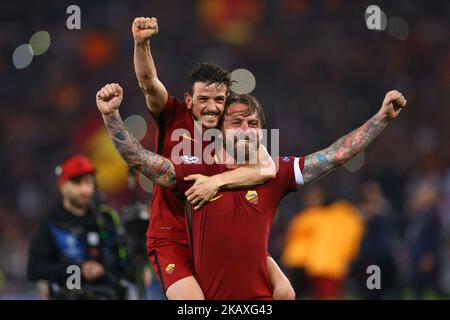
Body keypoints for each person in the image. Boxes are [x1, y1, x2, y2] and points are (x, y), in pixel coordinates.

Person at [96, 82, 406, 299]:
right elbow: (138, 158)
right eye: (237, 122)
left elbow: (336, 154)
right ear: (220, 130)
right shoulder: (194, 170)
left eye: (254, 124)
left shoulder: (276, 173)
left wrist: (381, 118)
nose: (246, 130)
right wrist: (111, 115)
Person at [132, 16, 293, 300]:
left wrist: (215, 182)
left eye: (219, 100)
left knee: (284, 295)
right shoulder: (173, 115)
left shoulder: (231, 127)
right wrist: (142, 43)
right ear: (189, 99)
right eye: (203, 99)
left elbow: (267, 167)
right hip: (173, 237)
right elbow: (148, 83)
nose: (211, 107)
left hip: (216, 239)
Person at [27, 155, 127, 299]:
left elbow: (124, 264)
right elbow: (34, 269)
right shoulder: (51, 222)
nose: (84, 189)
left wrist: (105, 269)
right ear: (62, 186)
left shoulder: (107, 219)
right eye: (76, 183)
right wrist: (78, 271)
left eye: (88, 182)